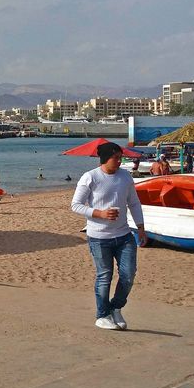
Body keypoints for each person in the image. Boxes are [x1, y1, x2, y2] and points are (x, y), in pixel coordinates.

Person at [71, 142, 147, 331]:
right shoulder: (90, 177)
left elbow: (134, 204)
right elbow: (76, 205)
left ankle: (116, 308)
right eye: (116, 158)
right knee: (105, 276)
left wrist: (141, 228)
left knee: (128, 274)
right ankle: (102, 315)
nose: (120, 161)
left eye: (121, 157)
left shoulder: (125, 176)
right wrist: (100, 213)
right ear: (105, 158)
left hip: (124, 234)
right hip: (99, 238)